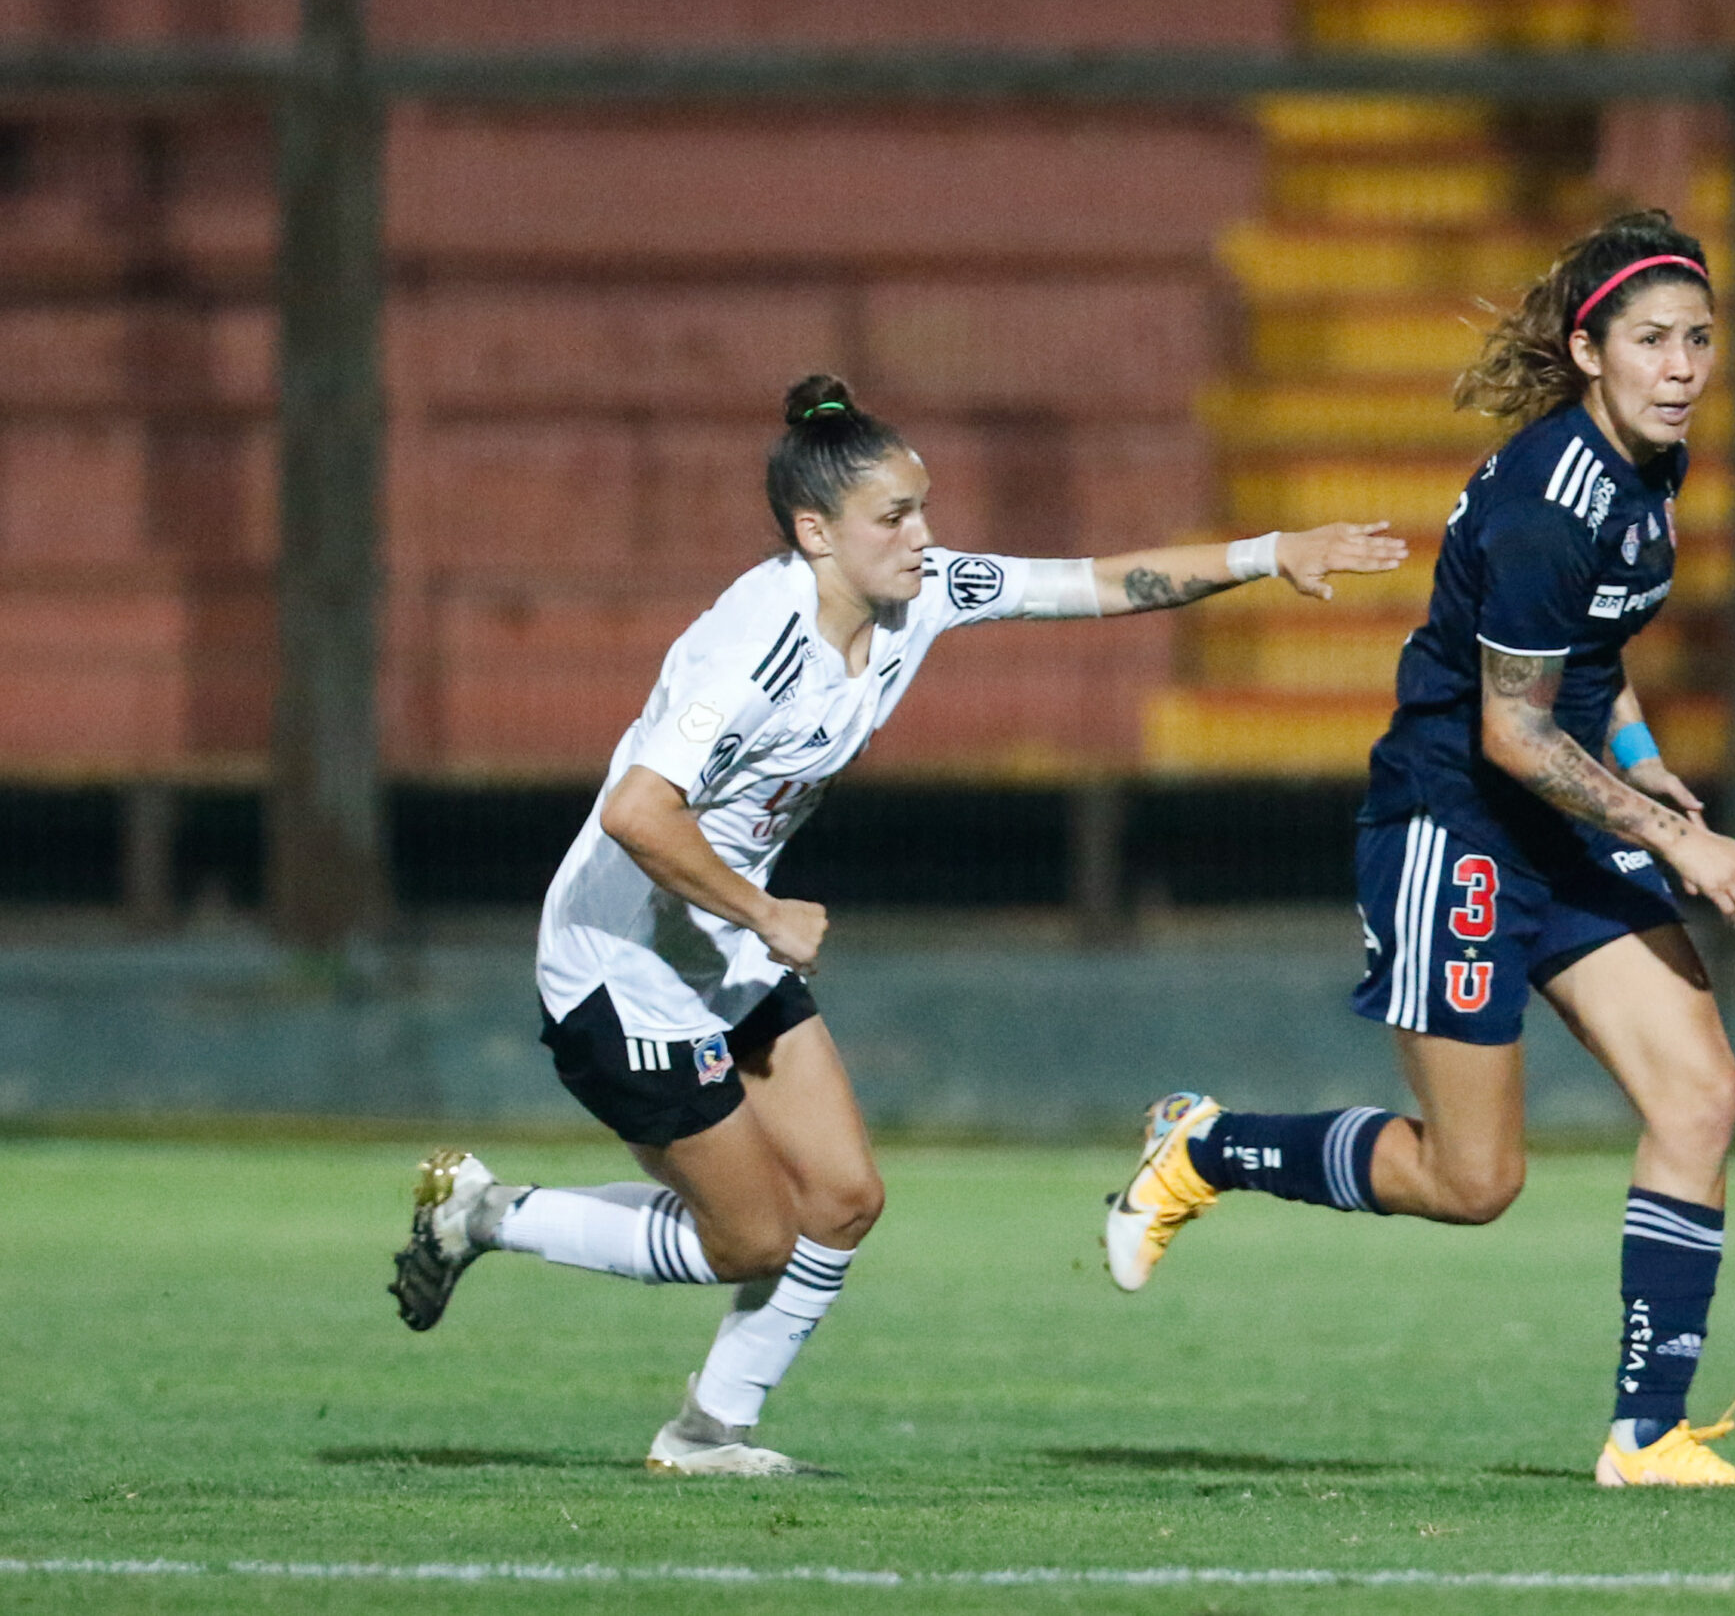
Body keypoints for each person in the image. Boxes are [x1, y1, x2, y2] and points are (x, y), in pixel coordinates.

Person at [390, 373, 1404, 1476]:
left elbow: (1102, 581)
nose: (925, 535)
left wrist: (1268, 553)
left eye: (923, 507)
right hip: (619, 967)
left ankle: (706, 1435)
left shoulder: (921, 594)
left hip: (721, 948)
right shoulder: (748, 646)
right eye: (896, 516)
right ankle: (484, 1215)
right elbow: (639, 813)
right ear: (813, 532)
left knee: (845, 1200)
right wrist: (763, 909)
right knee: (751, 1239)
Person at [1103, 211, 1735, 1488]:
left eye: (1698, 338)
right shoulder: (1547, 504)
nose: (1683, 365)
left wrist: (1637, 766)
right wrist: (1673, 840)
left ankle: (1649, 1437)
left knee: (1701, 1098)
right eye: (1651, 341)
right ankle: (1205, 1147)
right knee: (1473, 1183)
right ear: (1591, 351)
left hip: (1566, 822)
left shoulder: (1650, 469)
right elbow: (1514, 732)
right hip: (1456, 828)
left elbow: (1592, 651)